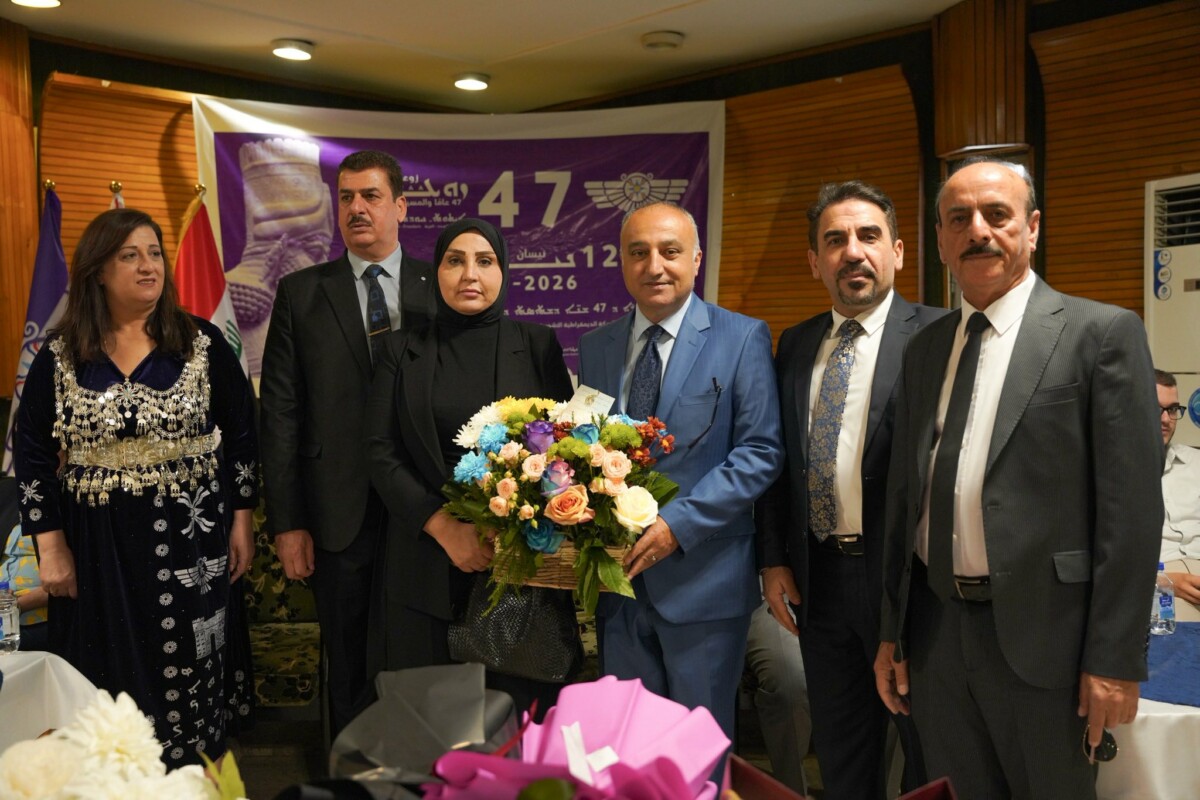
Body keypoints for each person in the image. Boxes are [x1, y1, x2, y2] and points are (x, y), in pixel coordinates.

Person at [875, 158, 1163, 798]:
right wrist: (893, 631)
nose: (978, 230)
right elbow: (905, 500)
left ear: (1032, 229)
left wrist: (1115, 659)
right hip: (937, 639)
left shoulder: (1101, 335)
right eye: (958, 219)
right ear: (941, 240)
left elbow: (1132, 517)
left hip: (1049, 645)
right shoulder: (925, 350)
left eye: (997, 215)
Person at [14, 208, 258, 767]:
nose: (148, 266)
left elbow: (243, 433)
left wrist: (242, 518)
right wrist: (51, 547)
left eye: (154, 253)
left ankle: (192, 779)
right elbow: (32, 455)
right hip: (96, 547)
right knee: (102, 674)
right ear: (98, 271)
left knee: (189, 668)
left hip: (191, 539)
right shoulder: (60, 356)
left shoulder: (200, 343)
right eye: (130, 256)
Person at [757, 181, 942, 799]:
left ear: (897, 251)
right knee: (841, 759)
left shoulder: (940, 336)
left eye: (868, 236)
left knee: (926, 754)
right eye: (835, 240)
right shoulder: (795, 342)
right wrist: (773, 559)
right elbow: (777, 462)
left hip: (910, 586)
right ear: (815, 261)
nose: (852, 251)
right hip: (820, 584)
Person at [577, 201, 784, 741]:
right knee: (628, 750)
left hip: (704, 583)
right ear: (622, 262)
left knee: (697, 754)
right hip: (619, 588)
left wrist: (678, 525)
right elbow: (585, 447)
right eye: (638, 252)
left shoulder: (742, 337)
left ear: (696, 258)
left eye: (670, 251)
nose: (654, 266)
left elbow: (760, 451)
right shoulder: (596, 346)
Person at [363, 217, 579, 718]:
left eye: (485, 261)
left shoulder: (538, 344)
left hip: (518, 570)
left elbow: (565, 453)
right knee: (427, 729)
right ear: (435, 272)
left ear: (503, 271)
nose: (469, 274)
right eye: (454, 261)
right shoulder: (400, 350)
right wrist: (444, 527)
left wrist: (507, 527)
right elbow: (379, 449)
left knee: (516, 729)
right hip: (423, 563)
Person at [260, 150, 435, 736]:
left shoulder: (440, 286)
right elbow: (280, 414)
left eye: (371, 196)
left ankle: (425, 772)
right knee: (349, 660)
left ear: (400, 207)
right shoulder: (301, 293)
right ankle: (349, 772)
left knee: (423, 655)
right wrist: (289, 523)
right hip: (338, 512)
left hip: (427, 510)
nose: (357, 208)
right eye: (346, 198)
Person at [744, 594, 812, 795]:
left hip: (840, 594)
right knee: (790, 685)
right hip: (767, 595)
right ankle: (791, 792)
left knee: (888, 680)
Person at [1155, 369, 1200, 621]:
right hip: (1161, 583)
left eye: (1172, 409)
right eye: (1156, 409)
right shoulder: (1112, 473)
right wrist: (1165, 581)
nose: (1166, 419)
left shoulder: (1196, 462)